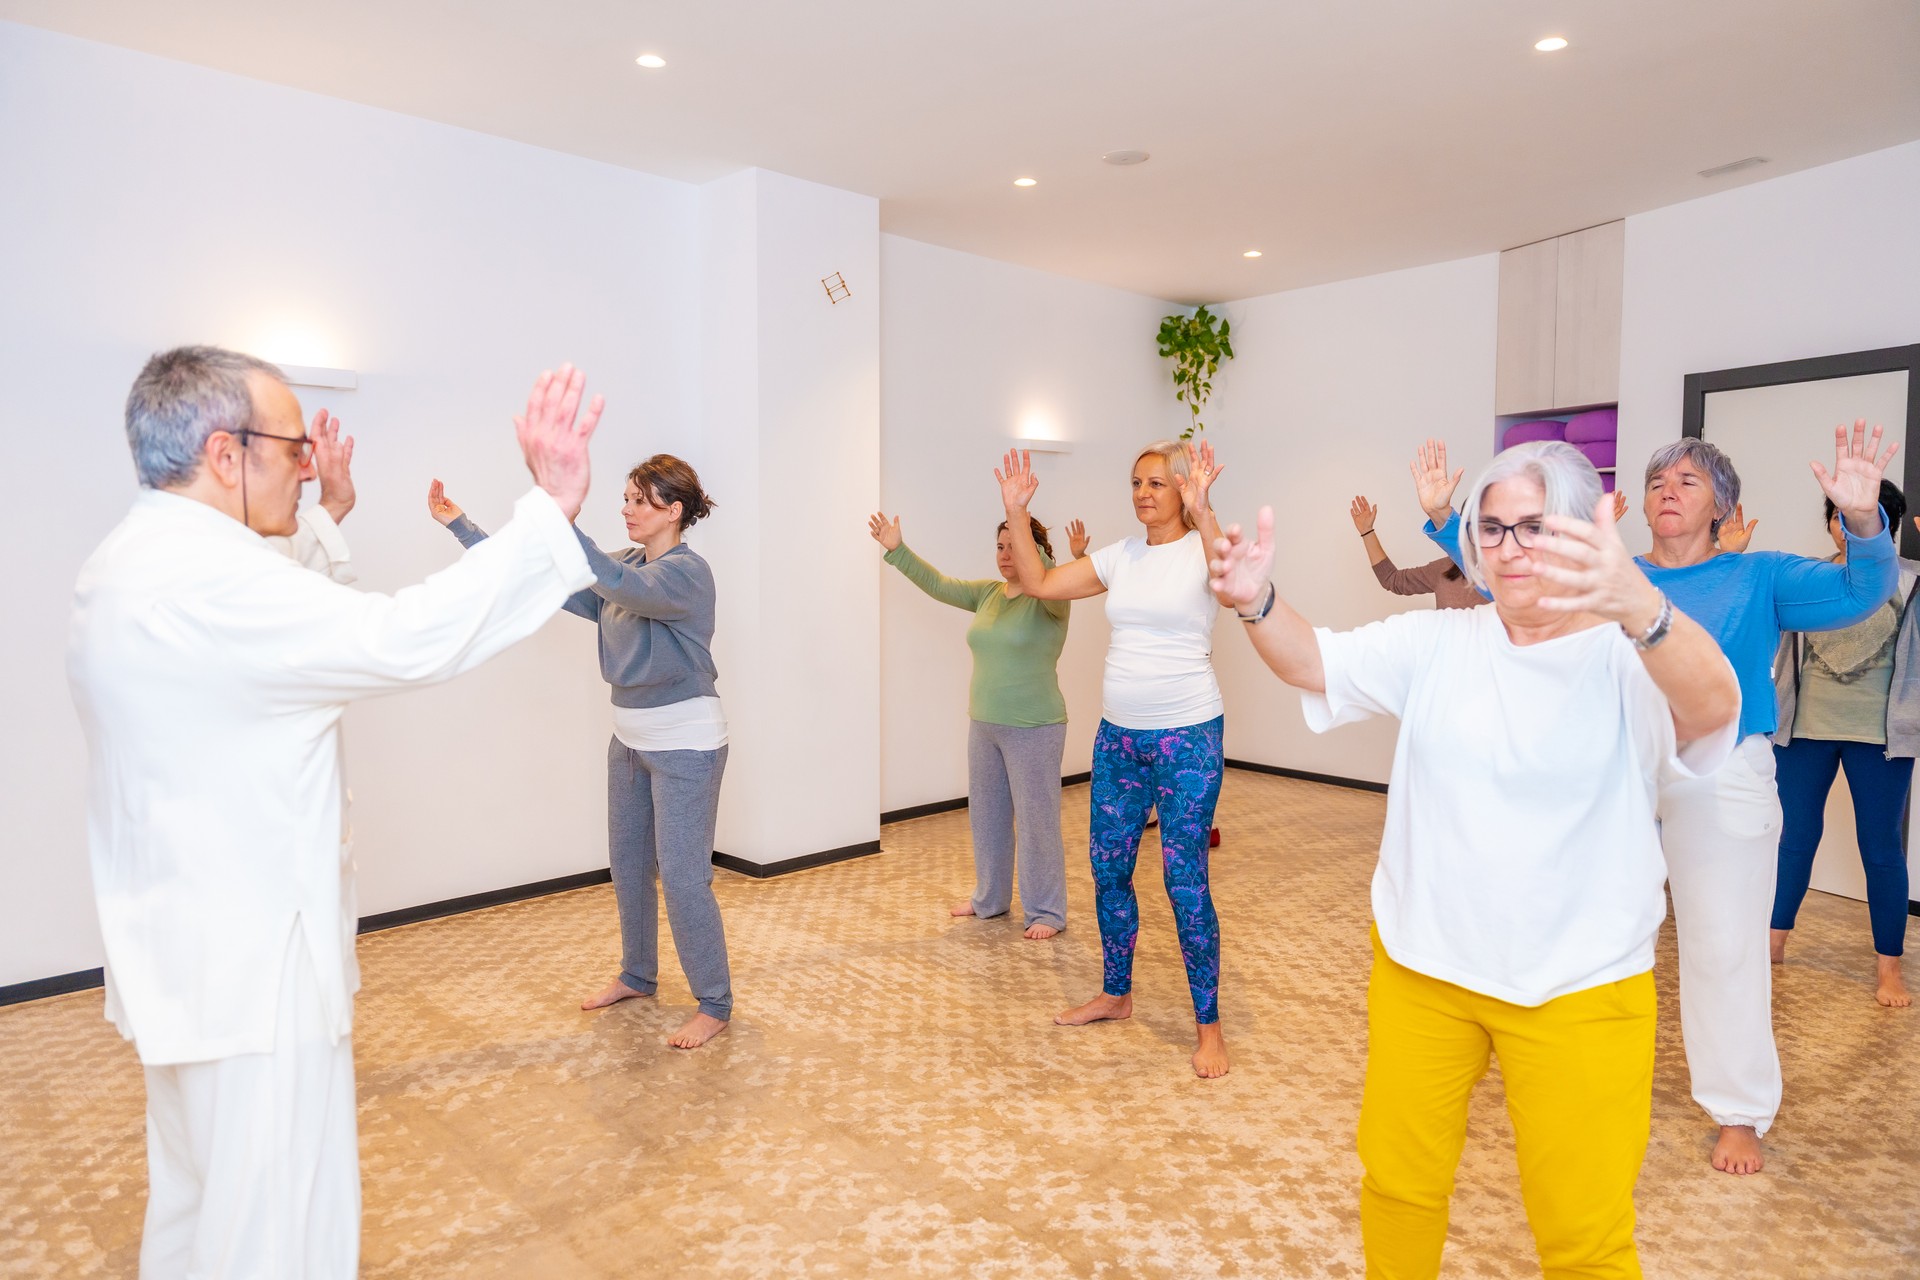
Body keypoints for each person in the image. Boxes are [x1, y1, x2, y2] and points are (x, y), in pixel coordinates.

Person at [69, 348, 603, 1279]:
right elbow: (399, 640)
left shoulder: (130, 564)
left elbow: (279, 617)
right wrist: (547, 514)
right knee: (274, 1237)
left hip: (183, 964)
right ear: (226, 455)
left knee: (197, 1212)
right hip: (257, 975)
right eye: (292, 446)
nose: (308, 463)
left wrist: (324, 518)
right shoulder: (214, 588)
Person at [1215, 440, 1739, 1279]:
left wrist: (1641, 606)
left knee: (1584, 1232)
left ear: (1576, 533)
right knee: (1398, 1184)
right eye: (1491, 529)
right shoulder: (1441, 643)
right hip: (1426, 967)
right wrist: (1255, 601)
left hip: (1580, 985)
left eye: (1533, 526)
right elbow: (1314, 660)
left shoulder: (1625, 653)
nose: (1510, 547)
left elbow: (1713, 708)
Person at [1415, 423, 1899, 1175]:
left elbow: (1862, 591)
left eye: (1688, 482)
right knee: (1588, 922)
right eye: (1657, 482)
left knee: (1723, 941)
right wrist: (1448, 516)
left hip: (1723, 772)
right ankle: (1564, 1068)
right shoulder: (1615, 574)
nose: (1668, 491)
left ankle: (1739, 1109)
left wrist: (1864, 519)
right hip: (1617, 761)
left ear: (1722, 506)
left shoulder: (1760, 574)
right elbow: (1506, 579)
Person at [430, 455, 733, 1049]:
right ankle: (637, 974)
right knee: (627, 867)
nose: (627, 508)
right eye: (625, 497)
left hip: (686, 744)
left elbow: (614, 582)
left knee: (684, 878)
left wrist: (560, 515)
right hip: (630, 739)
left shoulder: (685, 573)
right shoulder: (622, 566)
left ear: (674, 512)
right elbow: (547, 584)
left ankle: (714, 1001)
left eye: (641, 500)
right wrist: (464, 528)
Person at [993, 440, 1232, 1078]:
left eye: (1156, 482)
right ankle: (1116, 993)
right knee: (1109, 870)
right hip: (1119, 739)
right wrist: (1016, 511)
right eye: (1135, 482)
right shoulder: (1120, 557)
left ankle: (1209, 1028)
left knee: (1185, 884)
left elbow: (1234, 593)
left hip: (1187, 735)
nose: (1143, 493)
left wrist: (1207, 514)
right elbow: (1040, 583)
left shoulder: (1200, 548)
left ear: (1183, 488)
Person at [868, 509, 1089, 938]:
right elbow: (940, 585)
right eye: (1001, 546)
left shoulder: (1051, 598)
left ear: (1038, 551)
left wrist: (1064, 557)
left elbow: (1056, 575)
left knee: (1036, 821)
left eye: (1016, 546)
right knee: (987, 816)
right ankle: (990, 898)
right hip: (984, 724)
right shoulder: (989, 594)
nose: (1006, 555)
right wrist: (898, 550)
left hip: (1035, 727)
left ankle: (1046, 911)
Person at [1771, 480, 1918, 1007]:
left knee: (1880, 848)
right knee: (1793, 838)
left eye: (1860, 513)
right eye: (1837, 512)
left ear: (1886, 523)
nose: (1845, 522)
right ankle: (1773, 944)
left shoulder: (1911, 577)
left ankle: (1889, 970)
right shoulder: (1807, 576)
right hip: (1804, 729)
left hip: (1879, 735)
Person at [1349, 494, 1480, 609]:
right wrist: (1367, 532)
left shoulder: (1499, 580)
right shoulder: (1443, 569)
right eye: (1473, 524)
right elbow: (1391, 579)